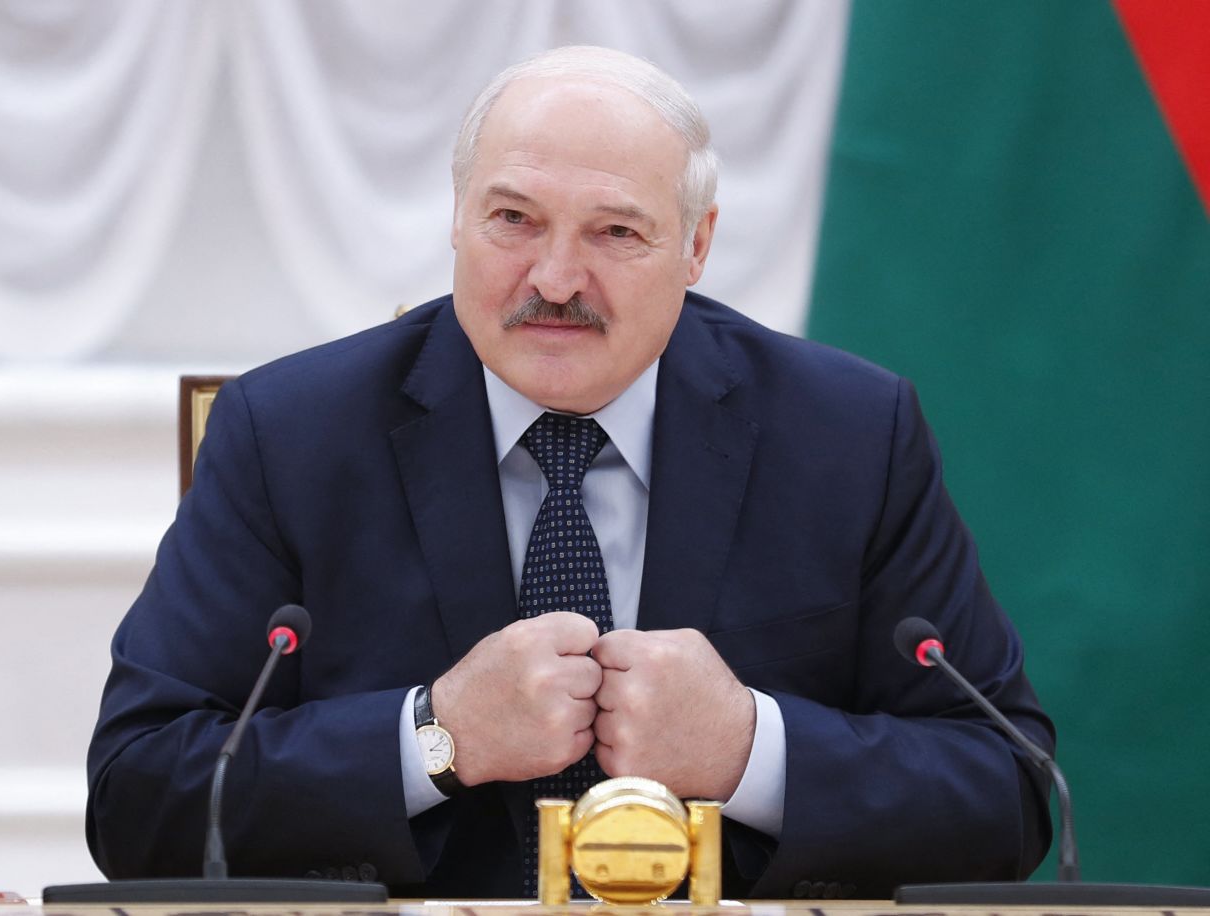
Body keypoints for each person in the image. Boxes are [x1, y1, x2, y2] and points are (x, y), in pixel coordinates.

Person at [87, 45, 1054, 900]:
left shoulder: (846, 434)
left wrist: (751, 750)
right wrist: (435, 739)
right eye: (514, 218)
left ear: (697, 247)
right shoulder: (290, 434)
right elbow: (140, 795)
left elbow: (1008, 794)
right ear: (457, 222)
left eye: (615, 232)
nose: (554, 278)